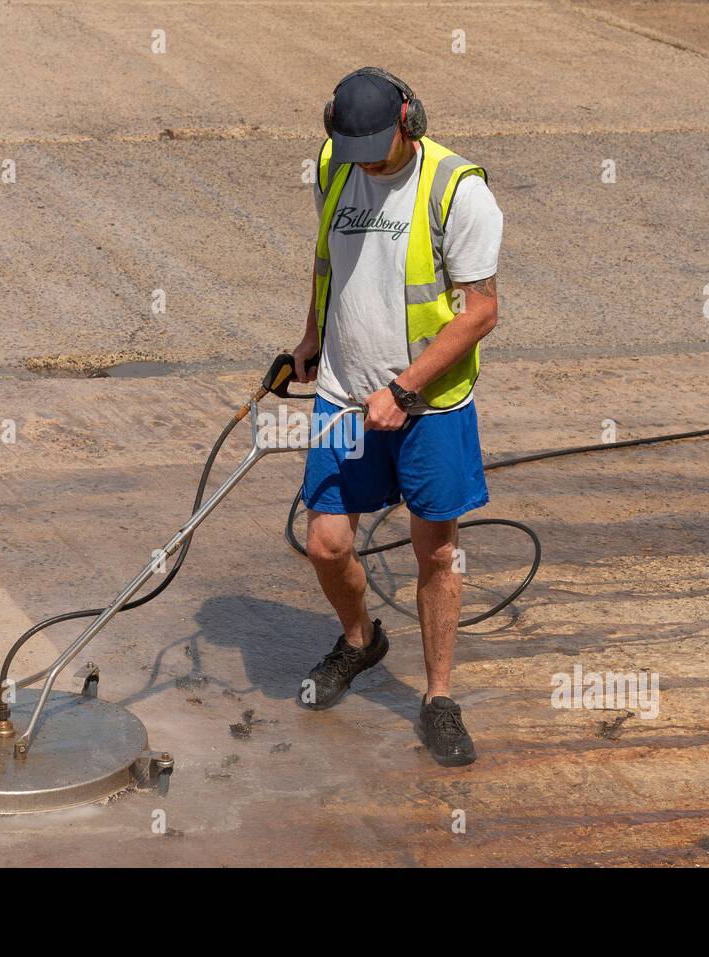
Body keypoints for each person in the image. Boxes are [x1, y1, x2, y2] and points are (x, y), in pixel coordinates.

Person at [293, 67, 502, 766]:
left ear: (408, 121)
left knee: (436, 551)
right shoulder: (335, 162)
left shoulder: (457, 190)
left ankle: (438, 696)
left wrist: (404, 388)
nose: (363, 164)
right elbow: (329, 261)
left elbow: (482, 313)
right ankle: (361, 640)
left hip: (429, 404)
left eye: (376, 148)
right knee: (326, 544)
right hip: (344, 390)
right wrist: (311, 337)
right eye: (352, 150)